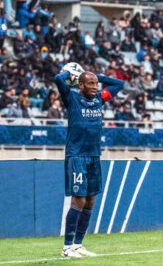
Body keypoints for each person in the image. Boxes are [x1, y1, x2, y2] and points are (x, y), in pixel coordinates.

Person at [56, 65, 124, 258]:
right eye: (90, 83)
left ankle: (78, 244)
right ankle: (67, 247)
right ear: (81, 85)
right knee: (79, 199)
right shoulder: (72, 99)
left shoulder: (99, 100)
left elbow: (119, 84)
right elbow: (58, 80)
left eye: (96, 83)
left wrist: (98, 76)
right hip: (76, 155)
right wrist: (72, 73)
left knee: (90, 200)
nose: (95, 86)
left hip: (94, 155)